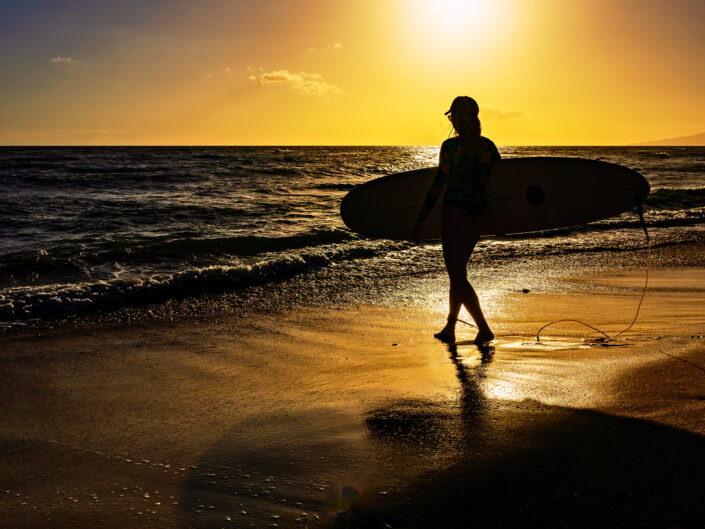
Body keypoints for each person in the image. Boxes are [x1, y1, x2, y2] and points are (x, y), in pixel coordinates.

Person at [411, 96, 500, 345]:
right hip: (478, 216)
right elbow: (502, 185)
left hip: (455, 213)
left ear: (459, 119)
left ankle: (483, 328)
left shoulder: (450, 148)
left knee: (457, 275)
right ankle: (450, 327)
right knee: (457, 273)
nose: (452, 122)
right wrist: (499, 219)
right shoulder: (488, 147)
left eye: (453, 117)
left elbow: (439, 184)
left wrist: (420, 220)